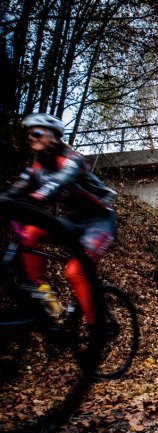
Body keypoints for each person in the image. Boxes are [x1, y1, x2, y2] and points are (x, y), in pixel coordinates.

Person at [5, 113, 117, 325]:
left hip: (99, 223)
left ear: (54, 137)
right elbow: (16, 190)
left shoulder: (72, 160)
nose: (31, 138)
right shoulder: (37, 166)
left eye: (37, 133)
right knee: (29, 233)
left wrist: (37, 196)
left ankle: (96, 330)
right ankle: (44, 294)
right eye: (28, 135)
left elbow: (59, 181)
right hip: (73, 222)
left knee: (75, 272)